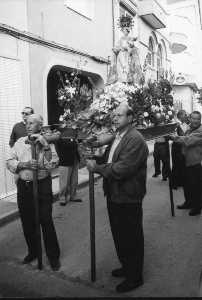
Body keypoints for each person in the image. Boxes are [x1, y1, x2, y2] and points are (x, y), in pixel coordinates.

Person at [86, 103, 149, 293]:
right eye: (114, 115)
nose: (114, 118)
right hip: (114, 194)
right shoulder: (118, 136)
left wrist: (96, 168)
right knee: (119, 235)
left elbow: (123, 168)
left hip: (128, 196)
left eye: (119, 115)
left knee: (131, 237)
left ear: (130, 118)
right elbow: (110, 160)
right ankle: (126, 266)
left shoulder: (135, 139)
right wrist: (96, 157)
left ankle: (135, 277)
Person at [6, 114, 61, 270]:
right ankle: (33, 252)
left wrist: (44, 145)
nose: (28, 125)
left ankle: (53, 257)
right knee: (27, 221)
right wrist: (25, 164)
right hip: (25, 186)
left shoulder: (47, 142)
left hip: (42, 185)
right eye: (27, 123)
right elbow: (9, 162)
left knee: (46, 220)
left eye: (32, 123)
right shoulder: (19, 143)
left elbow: (53, 164)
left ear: (39, 125)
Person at [169, 111, 202, 216]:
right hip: (185, 161)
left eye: (198, 119)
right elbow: (184, 137)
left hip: (194, 162)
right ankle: (188, 202)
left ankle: (197, 207)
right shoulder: (189, 128)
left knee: (195, 186)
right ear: (190, 119)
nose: (195, 120)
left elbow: (188, 141)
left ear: (200, 120)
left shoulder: (200, 131)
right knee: (187, 184)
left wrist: (175, 138)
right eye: (193, 118)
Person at [50, 123, 82, 205]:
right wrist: (74, 142)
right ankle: (62, 198)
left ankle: (73, 196)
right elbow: (67, 145)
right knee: (64, 182)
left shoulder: (71, 134)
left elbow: (76, 143)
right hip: (65, 161)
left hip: (74, 160)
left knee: (74, 181)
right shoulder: (58, 137)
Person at [108, 16, 143, 85]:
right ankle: (121, 82)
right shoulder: (120, 39)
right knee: (120, 70)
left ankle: (126, 81)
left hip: (127, 56)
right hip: (120, 56)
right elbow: (116, 47)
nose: (125, 31)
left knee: (127, 69)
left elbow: (133, 48)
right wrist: (116, 49)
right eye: (123, 30)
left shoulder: (130, 39)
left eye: (127, 30)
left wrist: (130, 47)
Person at [171, 110, 189, 190]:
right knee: (176, 165)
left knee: (183, 165)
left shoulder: (187, 124)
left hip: (184, 147)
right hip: (176, 148)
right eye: (185, 115)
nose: (186, 116)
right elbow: (171, 136)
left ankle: (181, 182)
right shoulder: (174, 124)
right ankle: (174, 184)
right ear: (180, 116)